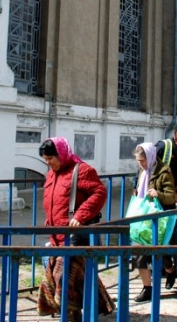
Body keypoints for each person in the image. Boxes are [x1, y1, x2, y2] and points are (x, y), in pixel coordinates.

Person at [36, 137, 115, 321]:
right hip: (57, 236)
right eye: (45, 159)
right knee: (76, 278)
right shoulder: (52, 174)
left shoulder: (82, 170)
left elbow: (99, 193)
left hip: (75, 237)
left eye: (50, 158)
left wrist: (80, 216)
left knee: (61, 277)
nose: (48, 163)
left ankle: (70, 315)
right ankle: (86, 309)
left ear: (61, 154)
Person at [131, 142, 177, 302]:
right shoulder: (142, 172)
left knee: (159, 253)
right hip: (142, 218)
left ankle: (170, 270)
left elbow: (171, 197)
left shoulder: (164, 172)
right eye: (138, 161)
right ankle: (147, 288)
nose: (141, 164)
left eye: (142, 161)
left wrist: (158, 194)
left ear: (150, 157)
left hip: (159, 219)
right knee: (139, 254)